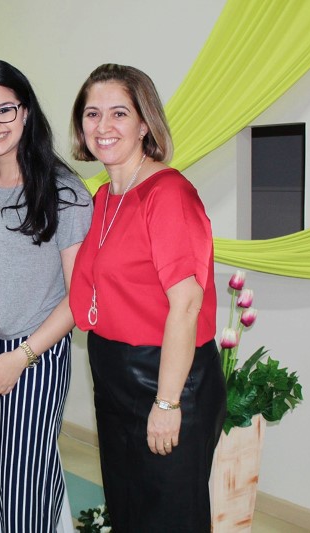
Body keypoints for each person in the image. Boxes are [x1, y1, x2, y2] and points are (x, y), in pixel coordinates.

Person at [68, 63, 226, 532]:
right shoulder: (102, 197)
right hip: (114, 376)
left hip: (168, 377)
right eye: (92, 114)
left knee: (170, 519)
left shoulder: (169, 193)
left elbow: (187, 304)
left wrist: (168, 403)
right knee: (129, 513)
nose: (103, 125)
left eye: (119, 113)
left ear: (144, 124)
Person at [0, 60, 93, 533]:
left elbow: (79, 297)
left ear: (26, 111)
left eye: (4, 110)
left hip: (37, 353)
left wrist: (23, 356)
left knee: (22, 491)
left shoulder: (65, 192)